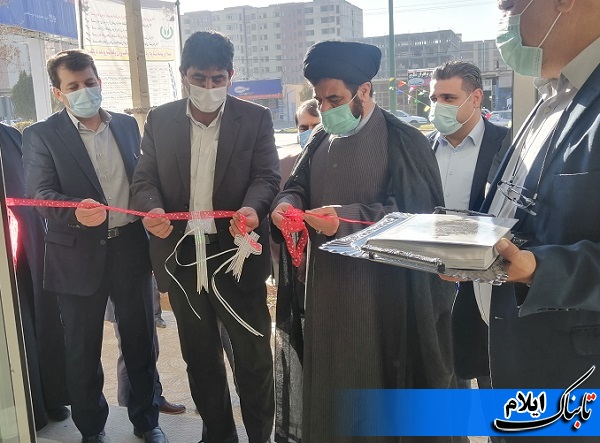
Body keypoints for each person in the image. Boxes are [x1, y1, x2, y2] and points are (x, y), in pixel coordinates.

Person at [271, 40, 462, 442]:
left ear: (364, 90)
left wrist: (344, 219)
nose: (326, 110)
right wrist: (287, 204)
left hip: (382, 298)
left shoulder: (403, 140)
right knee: (328, 391)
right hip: (324, 293)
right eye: (320, 101)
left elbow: (416, 218)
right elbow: (298, 186)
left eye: (335, 100)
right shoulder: (319, 139)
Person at [457, 1, 600, 442]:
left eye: (510, 4)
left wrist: (540, 269)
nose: (503, 20)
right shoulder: (551, 97)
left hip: (572, 379)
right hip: (510, 360)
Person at [130, 31, 279, 443]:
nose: (209, 87)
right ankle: (217, 435)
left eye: (218, 78)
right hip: (181, 257)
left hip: (236, 255)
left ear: (231, 75)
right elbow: (144, 179)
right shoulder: (160, 119)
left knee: (252, 355)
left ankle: (260, 436)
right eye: (200, 78)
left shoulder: (254, 119)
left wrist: (252, 209)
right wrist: (152, 210)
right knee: (200, 357)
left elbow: (267, 177)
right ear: (184, 75)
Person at [22, 49, 165, 443]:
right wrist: (73, 211)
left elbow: (142, 179)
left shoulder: (126, 125)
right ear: (58, 93)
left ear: (99, 81)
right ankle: (91, 429)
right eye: (73, 86)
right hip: (76, 254)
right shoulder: (40, 135)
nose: (84, 91)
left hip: (130, 248)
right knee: (82, 349)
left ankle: (147, 421)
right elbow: (39, 194)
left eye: (89, 82)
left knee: (140, 342)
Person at [427, 61, 508, 388]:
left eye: (448, 98)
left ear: (476, 98)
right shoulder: (424, 147)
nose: (438, 106)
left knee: (489, 378)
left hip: (487, 283)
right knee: (443, 377)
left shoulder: (507, 144)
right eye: (434, 98)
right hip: (433, 280)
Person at [0, 122, 70, 430]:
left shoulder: (10, 135)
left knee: (38, 319)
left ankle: (47, 398)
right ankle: (24, 408)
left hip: (27, 249)